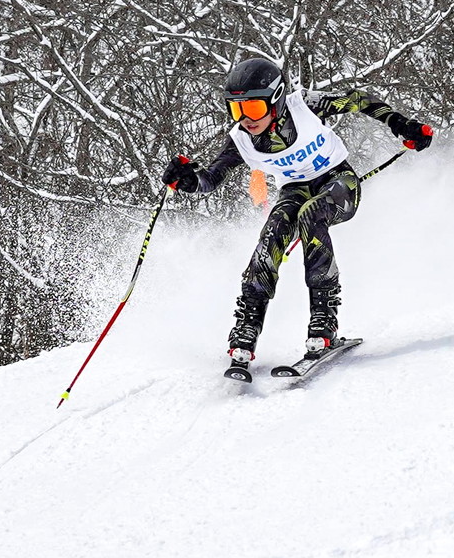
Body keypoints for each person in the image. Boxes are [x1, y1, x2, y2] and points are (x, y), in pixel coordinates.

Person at [162, 58, 433, 367]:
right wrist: (186, 180)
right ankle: (248, 325)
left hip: (338, 181)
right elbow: (209, 180)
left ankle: (323, 320)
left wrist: (401, 124)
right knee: (273, 231)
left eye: (253, 108)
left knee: (312, 215)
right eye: (237, 110)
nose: (246, 119)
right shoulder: (240, 140)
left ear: (275, 100)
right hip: (295, 189)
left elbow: (360, 100)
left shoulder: (304, 105)